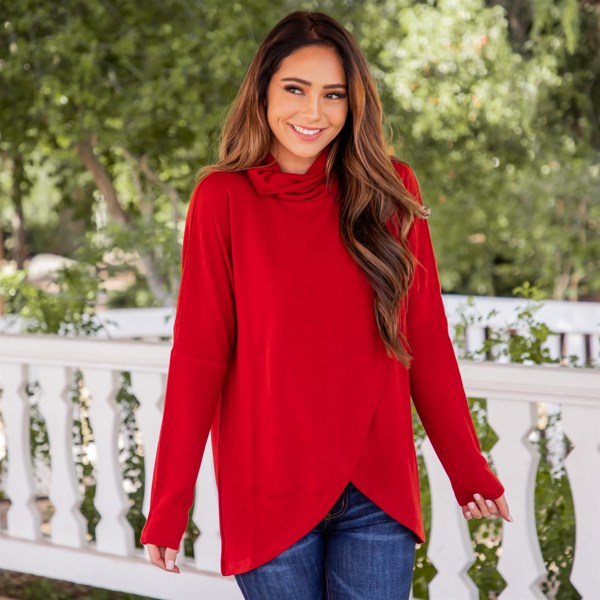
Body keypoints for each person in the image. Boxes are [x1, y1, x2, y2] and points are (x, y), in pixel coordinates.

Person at [140, 9, 512, 600]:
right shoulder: (221, 199)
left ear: (352, 103)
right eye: (296, 89)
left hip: (377, 492)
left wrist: (467, 466)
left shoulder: (391, 190)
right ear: (262, 91)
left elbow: (424, 336)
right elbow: (199, 357)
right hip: (268, 489)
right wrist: (169, 502)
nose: (314, 112)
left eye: (333, 95)